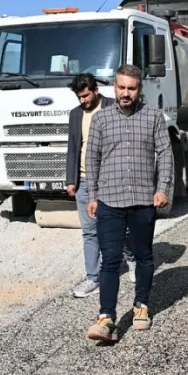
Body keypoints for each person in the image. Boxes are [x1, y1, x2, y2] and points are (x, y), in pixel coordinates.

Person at [84, 64, 173, 342]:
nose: (125, 93)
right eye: (121, 87)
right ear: (114, 87)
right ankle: (106, 317)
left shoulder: (153, 117)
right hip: (109, 200)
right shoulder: (101, 120)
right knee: (110, 260)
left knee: (144, 256)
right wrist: (92, 195)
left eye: (131, 88)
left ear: (139, 89)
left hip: (143, 200)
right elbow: (92, 159)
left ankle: (142, 306)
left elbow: (165, 154)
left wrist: (163, 188)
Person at [65, 73, 134, 299]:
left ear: (95, 90)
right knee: (89, 232)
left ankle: (132, 260)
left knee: (120, 228)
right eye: (79, 97)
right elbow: (73, 148)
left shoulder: (113, 108)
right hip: (85, 180)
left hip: (111, 179)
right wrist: (71, 179)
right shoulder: (75, 115)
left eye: (85, 95)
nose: (83, 100)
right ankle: (93, 277)